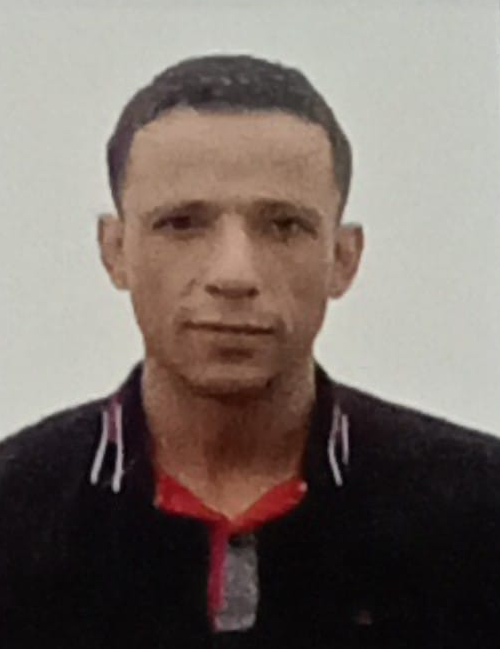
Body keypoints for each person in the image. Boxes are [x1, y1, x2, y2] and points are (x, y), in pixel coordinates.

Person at [1, 54, 499, 649]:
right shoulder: (16, 514)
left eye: (284, 226)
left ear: (343, 258)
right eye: (182, 223)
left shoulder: (480, 513)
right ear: (115, 250)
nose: (233, 274)